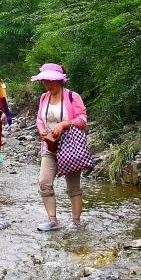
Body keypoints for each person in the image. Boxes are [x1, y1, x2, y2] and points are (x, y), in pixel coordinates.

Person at [31, 63, 88, 230]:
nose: (48, 84)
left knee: (73, 186)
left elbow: (82, 119)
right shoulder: (43, 97)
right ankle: (52, 220)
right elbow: (40, 119)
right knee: (44, 182)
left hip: (70, 146)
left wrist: (65, 124)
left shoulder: (72, 96)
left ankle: (76, 221)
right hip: (49, 146)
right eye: (45, 81)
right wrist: (41, 130)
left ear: (60, 81)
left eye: (51, 81)